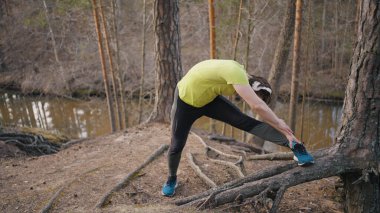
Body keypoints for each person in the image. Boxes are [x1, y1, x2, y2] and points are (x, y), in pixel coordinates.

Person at [161, 59, 314, 197]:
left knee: (244, 121)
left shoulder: (242, 76)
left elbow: (259, 107)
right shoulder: (237, 74)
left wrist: (286, 133)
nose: (248, 99)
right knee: (176, 145)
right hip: (185, 101)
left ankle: (294, 145)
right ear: (253, 86)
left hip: (209, 100)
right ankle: (171, 178)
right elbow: (257, 106)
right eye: (254, 95)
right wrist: (279, 122)